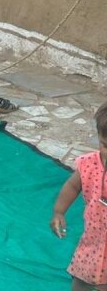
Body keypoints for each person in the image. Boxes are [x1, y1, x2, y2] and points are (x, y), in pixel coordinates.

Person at [51, 103, 107, 291]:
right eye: (105, 145)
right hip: (94, 238)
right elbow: (73, 185)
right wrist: (59, 212)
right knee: (82, 277)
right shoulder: (90, 164)